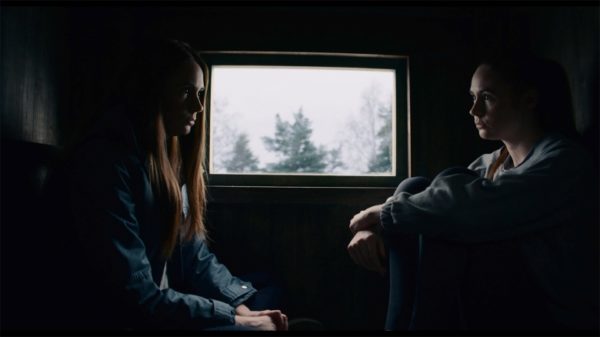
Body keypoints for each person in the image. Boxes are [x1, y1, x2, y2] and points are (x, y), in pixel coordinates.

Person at [39, 38, 288, 331]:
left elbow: (194, 256)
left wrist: (242, 308)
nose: (198, 106)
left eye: (200, 93)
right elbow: (137, 297)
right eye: (186, 92)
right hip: (130, 317)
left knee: (266, 287)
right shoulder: (104, 164)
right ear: (152, 93)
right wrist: (236, 320)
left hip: (167, 299)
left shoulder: (163, 160)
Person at [347, 53, 599, 330]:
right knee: (416, 187)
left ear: (529, 100)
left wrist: (382, 214)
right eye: (473, 97)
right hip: (497, 298)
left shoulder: (563, 162)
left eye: (487, 98)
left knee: (441, 205)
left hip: (549, 310)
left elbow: (459, 206)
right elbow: (427, 201)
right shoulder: (494, 162)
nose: (474, 110)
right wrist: (374, 227)